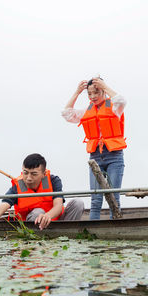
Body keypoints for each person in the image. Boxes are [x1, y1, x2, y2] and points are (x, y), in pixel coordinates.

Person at [0, 153, 84, 238]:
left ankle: (68, 234)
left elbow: (58, 206)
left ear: (43, 173)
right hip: (35, 227)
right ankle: (40, 237)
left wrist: (48, 216)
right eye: (25, 173)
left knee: (78, 203)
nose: (28, 178)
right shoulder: (16, 188)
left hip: (57, 222)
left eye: (34, 174)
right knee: (37, 212)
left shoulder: (53, 180)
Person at [62, 77, 127, 220]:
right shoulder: (87, 110)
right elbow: (66, 114)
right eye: (89, 94)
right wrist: (77, 92)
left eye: (96, 92)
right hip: (95, 157)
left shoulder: (115, 107)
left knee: (114, 198)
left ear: (103, 90)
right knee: (95, 199)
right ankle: (93, 231)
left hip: (114, 156)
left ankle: (115, 229)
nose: (93, 97)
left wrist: (104, 85)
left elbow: (121, 100)